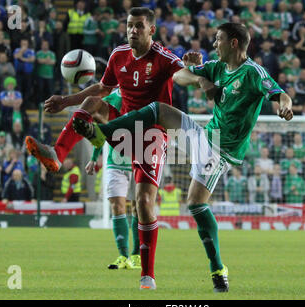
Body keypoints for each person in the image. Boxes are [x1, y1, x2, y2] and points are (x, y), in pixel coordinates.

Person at [73, 22, 293, 292]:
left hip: (222, 150)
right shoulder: (218, 67)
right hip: (205, 135)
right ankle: (103, 132)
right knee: (159, 109)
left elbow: (280, 94)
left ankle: (217, 268)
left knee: (195, 204)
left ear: (234, 43)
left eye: (219, 39)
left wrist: (284, 105)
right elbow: (179, 76)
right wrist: (201, 79)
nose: (214, 44)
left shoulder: (253, 73)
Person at [26, 7, 187, 290]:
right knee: (91, 104)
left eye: (139, 26)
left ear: (152, 30)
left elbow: (185, 76)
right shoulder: (118, 55)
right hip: (122, 128)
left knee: (145, 204)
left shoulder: (164, 58)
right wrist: (66, 100)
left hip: (152, 136)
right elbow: (101, 87)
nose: (133, 30)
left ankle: (147, 275)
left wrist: (195, 71)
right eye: (129, 25)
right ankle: (56, 154)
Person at [85, 90, 140, 270]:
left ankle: (137, 255)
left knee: (141, 208)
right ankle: (123, 255)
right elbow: (102, 131)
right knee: (117, 206)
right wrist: (94, 157)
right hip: (115, 161)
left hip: (141, 158)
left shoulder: (143, 93)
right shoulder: (109, 101)